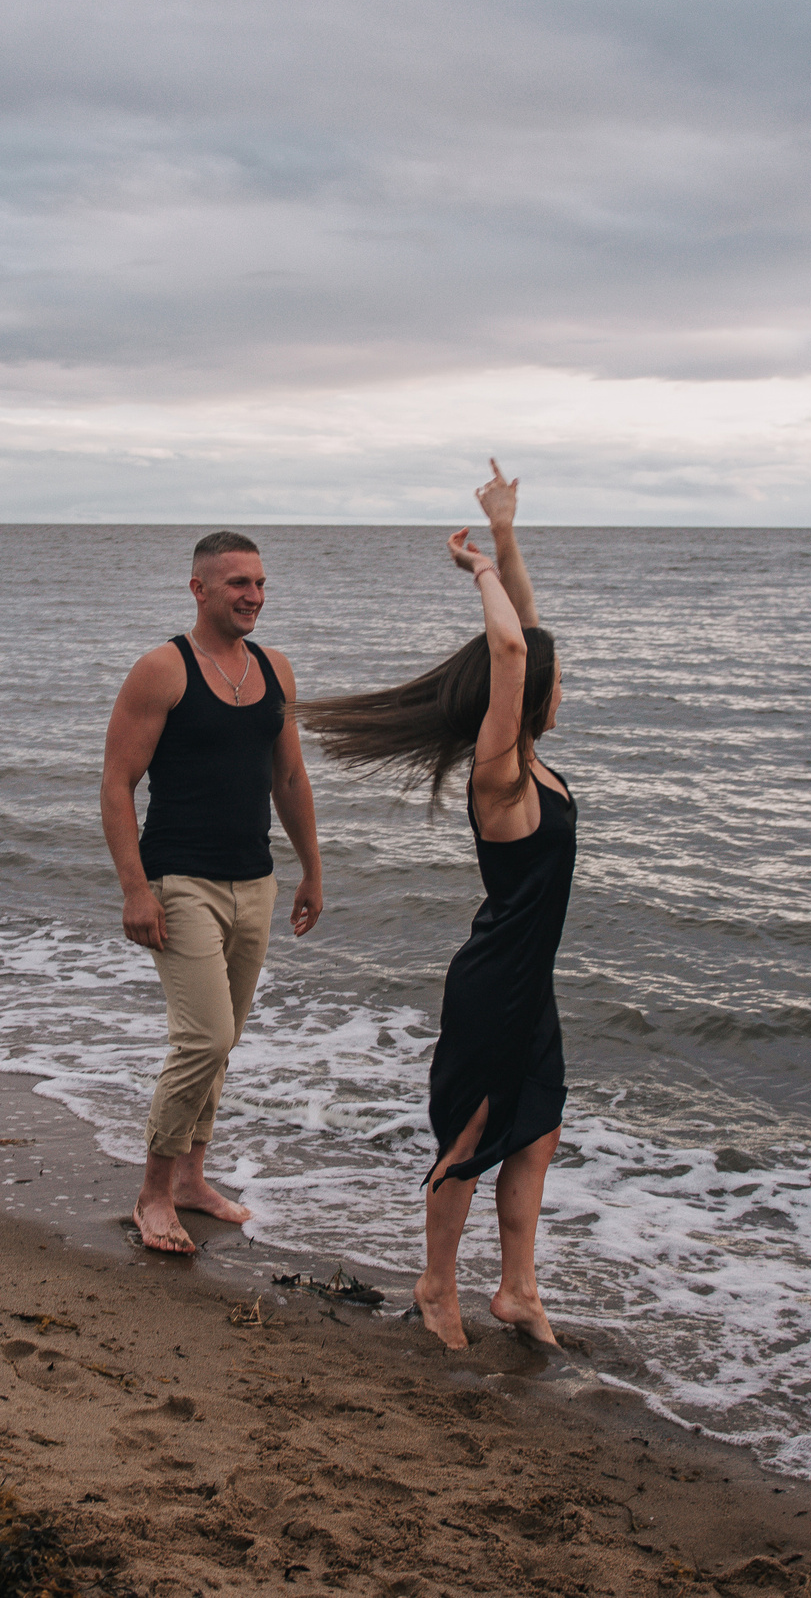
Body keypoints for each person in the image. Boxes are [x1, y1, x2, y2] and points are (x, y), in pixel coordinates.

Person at [297, 462, 571, 1349]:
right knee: (471, 1139)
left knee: (536, 1133)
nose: (564, 687)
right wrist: (478, 570)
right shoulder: (502, 778)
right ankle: (436, 1285)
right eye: (556, 680)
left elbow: (525, 636)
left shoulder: (537, 764)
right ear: (526, 694)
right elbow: (512, 651)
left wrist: (505, 533)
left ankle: (518, 1290)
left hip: (530, 983)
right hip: (494, 986)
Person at [102, 530, 324, 1255]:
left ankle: (193, 1180)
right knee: (205, 1037)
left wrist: (312, 869)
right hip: (180, 880)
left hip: (255, 881)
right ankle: (154, 1193)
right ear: (199, 589)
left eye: (260, 583)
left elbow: (289, 777)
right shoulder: (162, 670)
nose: (253, 596)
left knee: (224, 1041)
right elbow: (116, 784)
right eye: (238, 584)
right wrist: (136, 890)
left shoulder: (275, 669)